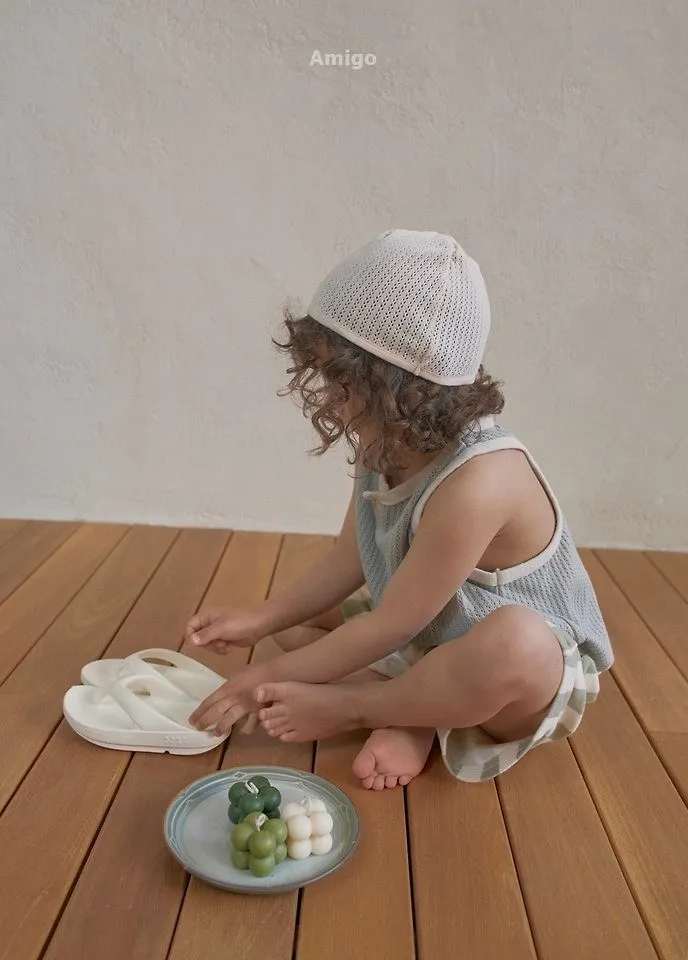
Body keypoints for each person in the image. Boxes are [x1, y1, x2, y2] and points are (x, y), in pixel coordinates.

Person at [187, 229, 612, 791]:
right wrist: (261, 619)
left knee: (517, 643)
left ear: (400, 390)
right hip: (428, 635)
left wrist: (258, 682)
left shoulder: (480, 480)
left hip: (512, 681)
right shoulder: (386, 439)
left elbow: (392, 625)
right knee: (300, 628)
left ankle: (365, 707)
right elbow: (349, 557)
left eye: (341, 380)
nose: (329, 396)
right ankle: (416, 711)